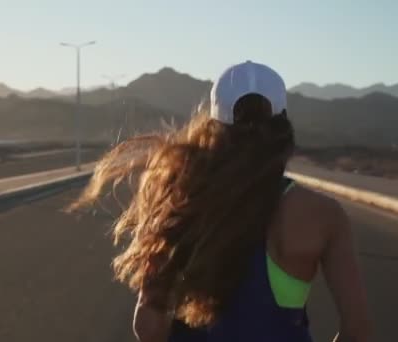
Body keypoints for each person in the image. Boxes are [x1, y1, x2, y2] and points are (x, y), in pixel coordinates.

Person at [69, 61, 371, 341]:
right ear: (283, 127)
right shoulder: (322, 214)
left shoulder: (180, 200)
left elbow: (149, 327)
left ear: (212, 128)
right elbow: (357, 331)